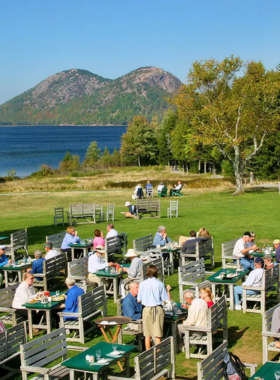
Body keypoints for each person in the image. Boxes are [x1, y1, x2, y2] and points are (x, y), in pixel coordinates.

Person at [137, 264, 169, 350]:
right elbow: (165, 299)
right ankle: (158, 353)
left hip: (146, 309)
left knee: (147, 334)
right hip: (157, 308)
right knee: (158, 334)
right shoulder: (160, 284)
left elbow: (138, 299)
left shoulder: (142, 284)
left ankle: (148, 354)